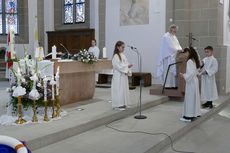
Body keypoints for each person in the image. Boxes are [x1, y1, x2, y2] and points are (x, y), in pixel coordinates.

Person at [157, 24, 183, 89]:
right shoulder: (165, 37)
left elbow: (177, 44)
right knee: (168, 71)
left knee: (173, 71)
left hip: (174, 56)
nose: (175, 33)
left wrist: (180, 49)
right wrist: (177, 50)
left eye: (176, 32)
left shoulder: (174, 37)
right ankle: (168, 85)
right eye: (175, 31)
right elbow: (169, 46)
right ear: (171, 30)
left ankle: (173, 85)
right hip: (168, 56)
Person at [180, 47, 201, 122]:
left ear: (190, 53)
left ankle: (188, 117)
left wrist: (183, 75)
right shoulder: (195, 60)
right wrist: (186, 75)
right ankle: (193, 114)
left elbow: (190, 73)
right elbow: (196, 71)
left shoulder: (189, 61)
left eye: (186, 52)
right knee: (194, 98)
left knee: (190, 99)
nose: (185, 54)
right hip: (194, 80)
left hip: (191, 82)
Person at [111, 41, 132, 110]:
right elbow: (118, 66)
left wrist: (128, 67)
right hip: (118, 76)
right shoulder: (115, 56)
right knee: (119, 90)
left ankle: (123, 103)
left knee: (123, 90)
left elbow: (125, 64)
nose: (123, 49)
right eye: (122, 47)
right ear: (118, 47)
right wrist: (126, 67)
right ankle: (118, 105)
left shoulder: (123, 55)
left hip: (123, 75)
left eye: (124, 47)